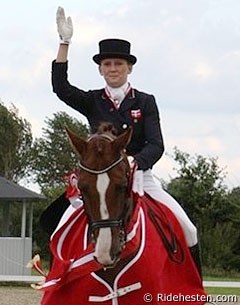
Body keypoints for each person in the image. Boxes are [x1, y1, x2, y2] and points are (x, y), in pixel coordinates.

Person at [47, 6, 202, 278]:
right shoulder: (93, 100)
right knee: (60, 228)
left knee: (188, 229)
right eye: (107, 64)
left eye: (118, 64)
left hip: (141, 176)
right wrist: (64, 44)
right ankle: (56, 281)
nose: (113, 69)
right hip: (99, 179)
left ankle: (194, 287)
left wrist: (135, 161)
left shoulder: (145, 101)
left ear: (129, 67)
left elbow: (156, 144)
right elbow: (61, 88)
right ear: (100, 70)